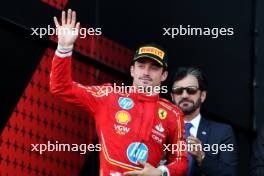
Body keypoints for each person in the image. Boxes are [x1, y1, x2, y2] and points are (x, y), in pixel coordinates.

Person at [50, 9, 188, 176]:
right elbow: (60, 87)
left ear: (164, 75)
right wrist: (64, 48)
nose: (146, 72)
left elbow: (181, 161)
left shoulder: (173, 114)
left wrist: (160, 172)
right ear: (132, 70)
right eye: (141, 65)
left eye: (154, 68)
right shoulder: (109, 95)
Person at [170, 67, 237, 176]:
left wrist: (202, 157)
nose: (184, 95)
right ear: (172, 96)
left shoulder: (222, 132)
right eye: (178, 91)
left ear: (202, 96)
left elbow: (229, 173)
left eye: (191, 90)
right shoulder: (159, 128)